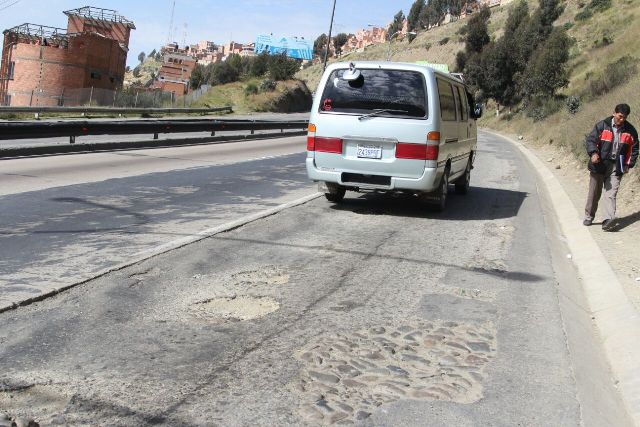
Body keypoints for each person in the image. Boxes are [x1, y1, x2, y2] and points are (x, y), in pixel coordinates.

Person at [583, 103, 638, 230]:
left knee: (611, 194)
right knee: (594, 194)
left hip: (616, 166)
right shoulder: (602, 125)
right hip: (599, 164)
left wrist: (628, 165)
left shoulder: (630, 131)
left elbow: (634, 149)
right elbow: (591, 140)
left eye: (624, 117)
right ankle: (589, 216)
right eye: (620, 116)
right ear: (614, 113)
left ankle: (607, 220)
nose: (622, 119)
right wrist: (593, 153)